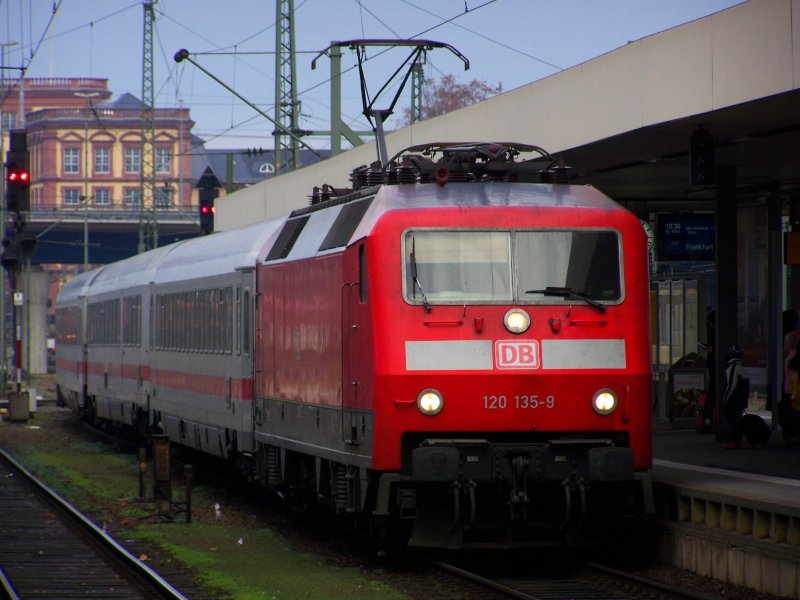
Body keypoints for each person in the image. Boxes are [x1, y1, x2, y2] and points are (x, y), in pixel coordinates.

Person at [722, 345, 747, 449]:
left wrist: (726, 397)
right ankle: (737, 440)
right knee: (737, 418)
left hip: (734, 399)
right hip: (741, 399)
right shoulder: (742, 368)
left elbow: (731, 384)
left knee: (732, 419)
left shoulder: (732, 368)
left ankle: (734, 440)